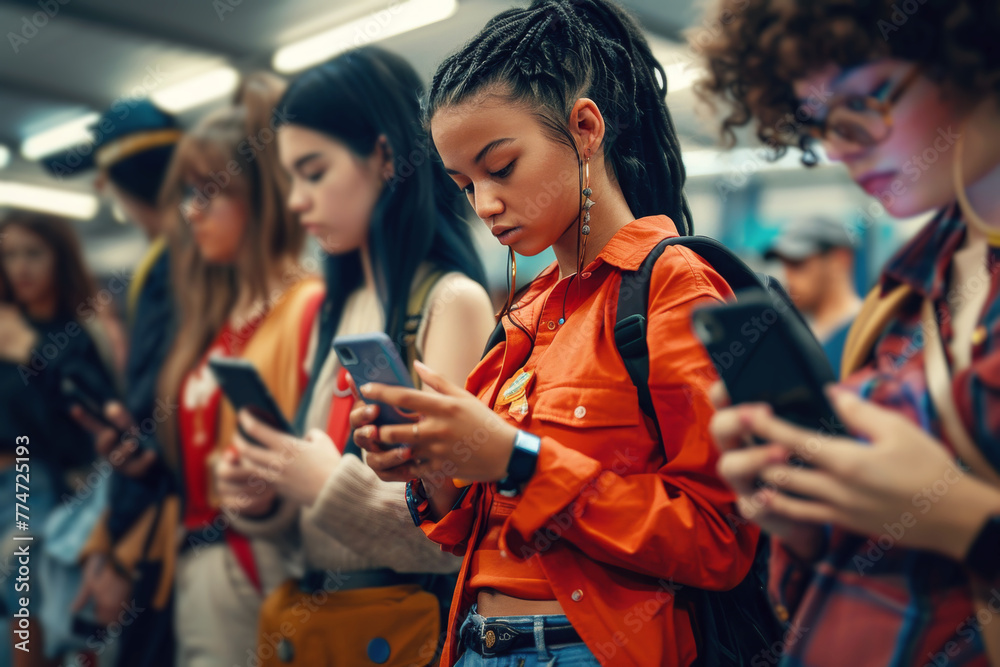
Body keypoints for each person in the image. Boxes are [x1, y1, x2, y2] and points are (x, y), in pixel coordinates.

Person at [350, 1, 759, 665]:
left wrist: (518, 458)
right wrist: (431, 465)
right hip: (475, 642)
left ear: (585, 128)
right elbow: (466, 527)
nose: (483, 204)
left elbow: (719, 538)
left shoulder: (672, 286)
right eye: (463, 184)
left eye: (501, 166)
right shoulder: (524, 315)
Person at [696, 0, 1000, 664]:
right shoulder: (902, 296)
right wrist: (802, 517)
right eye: (820, 119)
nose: (840, 143)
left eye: (869, 97)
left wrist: (971, 523)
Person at [213, 46, 495, 666]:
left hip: (398, 633)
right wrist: (266, 493)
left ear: (386, 157)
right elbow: (314, 529)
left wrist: (321, 482)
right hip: (310, 631)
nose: (295, 201)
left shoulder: (452, 302)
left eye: (314, 172)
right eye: (291, 179)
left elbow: (455, 535)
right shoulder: (332, 313)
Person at [78, 72, 324, 667]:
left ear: (259, 197)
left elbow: (309, 458)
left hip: (263, 560)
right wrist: (142, 453)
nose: (192, 213)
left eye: (208, 193)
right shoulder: (214, 319)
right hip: (196, 560)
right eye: (188, 193)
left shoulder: (306, 306)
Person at [65, 99, 182, 667]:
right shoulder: (188, 256)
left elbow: (153, 415)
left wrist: (113, 550)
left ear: (110, 180)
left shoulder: (171, 263)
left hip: (170, 527)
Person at [0, 212, 118, 667]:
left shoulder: (75, 337)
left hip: (31, 477)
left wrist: (31, 354)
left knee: (26, 606)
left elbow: (83, 422)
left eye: (33, 253)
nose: (21, 267)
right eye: (9, 255)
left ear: (59, 258)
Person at [763, 215, 862, 371]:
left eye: (797, 263)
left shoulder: (869, 332)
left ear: (839, 260)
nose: (786, 277)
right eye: (784, 265)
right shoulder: (793, 337)